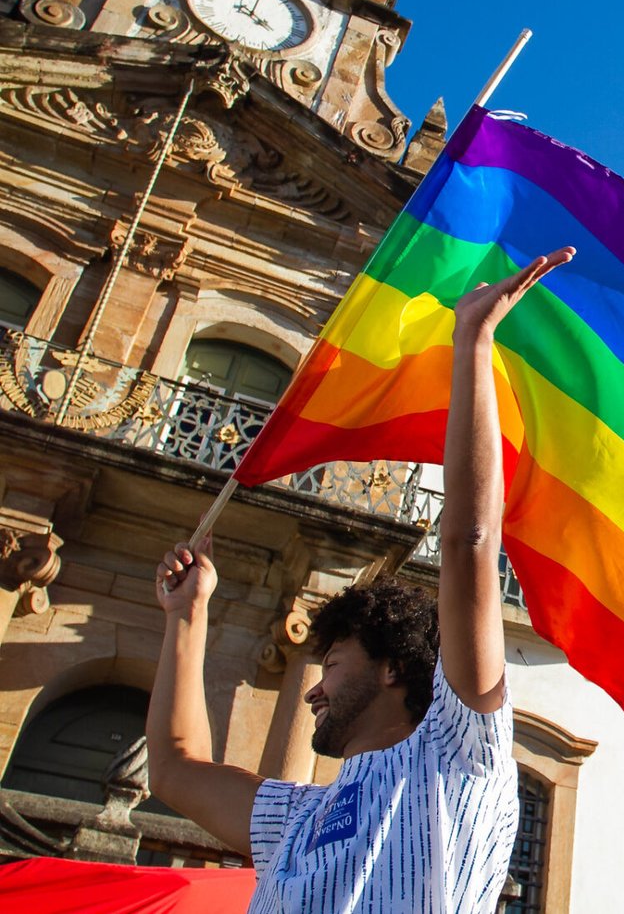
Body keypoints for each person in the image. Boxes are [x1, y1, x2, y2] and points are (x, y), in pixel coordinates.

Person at [146, 248, 576, 913]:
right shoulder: (295, 819)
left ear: (391, 669)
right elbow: (176, 767)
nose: (314, 689)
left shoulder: (456, 759)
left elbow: (466, 544)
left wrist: (472, 343)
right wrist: (187, 613)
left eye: (332, 662)